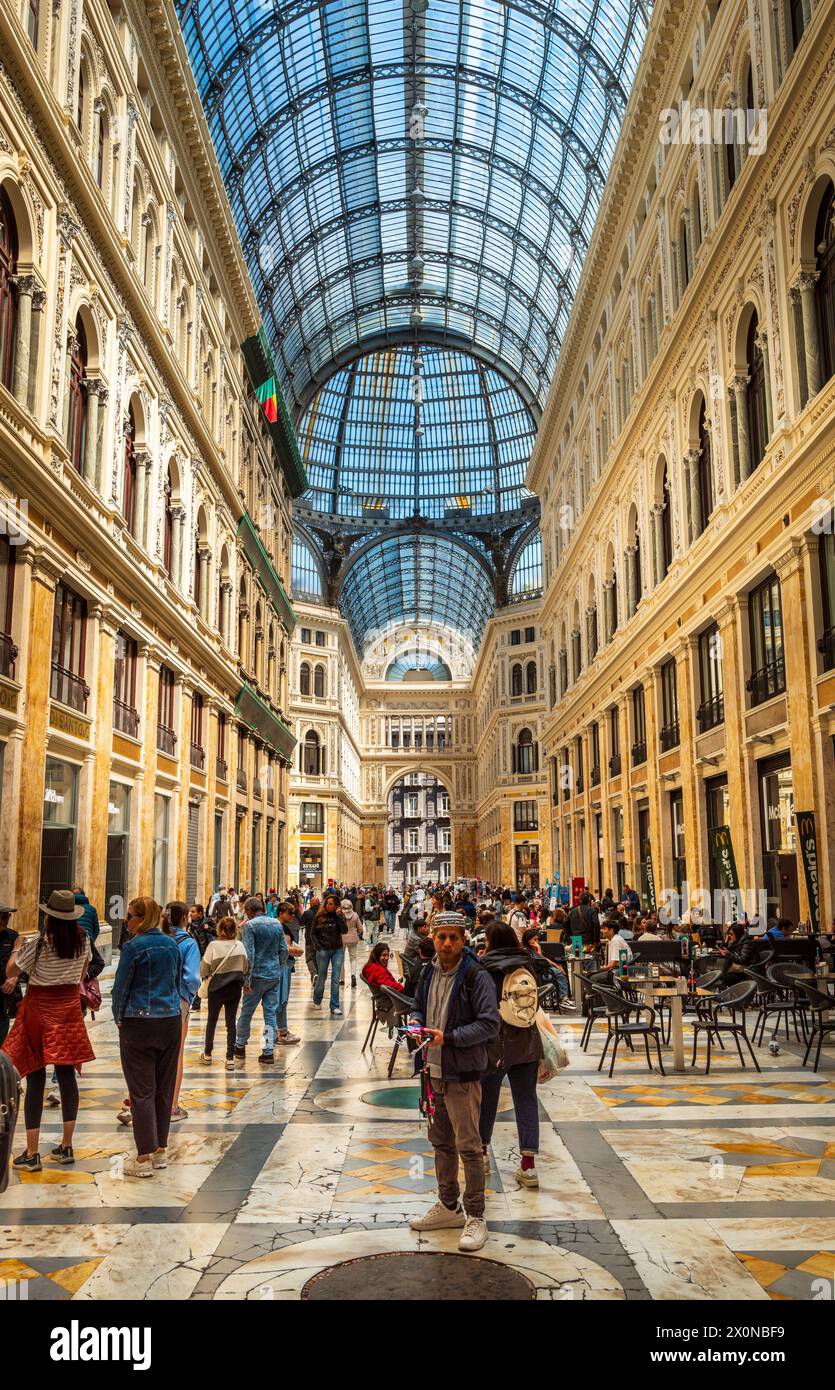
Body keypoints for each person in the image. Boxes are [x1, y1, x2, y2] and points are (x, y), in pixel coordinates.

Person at [408, 911, 500, 1254]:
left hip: (461, 1073)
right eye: (441, 937)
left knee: (469, 1146)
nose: (446, 943)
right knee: (441, 1142)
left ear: (464, 939)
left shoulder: (476, 976)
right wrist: (417, 1023)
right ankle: (449, 1207)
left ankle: (475, 1215)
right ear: (432, 938)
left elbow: (490, 1023)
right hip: (432, 1072)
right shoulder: (428, 972)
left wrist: (449, 1038)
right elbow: (418, 1007)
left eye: (453, 937)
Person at [2, 890, 95, 1172]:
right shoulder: (83, 941)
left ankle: (32, 1152)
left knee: (36, 1078)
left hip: (38, 1013)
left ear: (49, 917)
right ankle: (66, 1146)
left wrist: (18, 946)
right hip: (67, 1013)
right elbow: (82, 975)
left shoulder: (40, 944)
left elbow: (10, 971)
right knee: (67, 1077)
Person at [111, 896, 182, 1178]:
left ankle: (142, 1158)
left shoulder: (133, 947)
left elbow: (121, 987)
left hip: (139, 1022)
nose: (125, 921)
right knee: (164, 1089)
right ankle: (160, 1151)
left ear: (141, 919)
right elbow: (176, 981)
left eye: (129, 917)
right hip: (170, 1020)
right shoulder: (172, 944)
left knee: (142, 1091)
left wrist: (119, 1018)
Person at [479, 922, 544, 1188]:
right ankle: (528, 1167)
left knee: (487, 1100)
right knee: (526, 1100)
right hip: (527, 1042)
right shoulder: (526, 964)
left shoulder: (484, 967)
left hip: (496, 1044)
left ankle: (481, 1155)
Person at [235, 895, 289, 1065]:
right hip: (273, 976)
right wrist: (278, 968)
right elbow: (284, 950)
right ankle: (268, 1051)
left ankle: (240, 1045)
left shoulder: (250, 926)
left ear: (250, 910)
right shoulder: (276, 924)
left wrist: (246, 980)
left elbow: (249, 954)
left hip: (257, 976)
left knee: (247, 1011)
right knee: (270, 1013)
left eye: (246, 911)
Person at [164, 902, 201, 1121]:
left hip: (152, 1000)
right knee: (175, 1053)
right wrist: (189, 996)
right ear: (185, 918)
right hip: (178, 1001)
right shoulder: (188, 943)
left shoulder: (157, 939)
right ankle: (172, 1106)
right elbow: (193, 978)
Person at [199, 916, 249, 1068]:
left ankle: (207, 1053)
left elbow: (204, 969)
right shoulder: (239, 946)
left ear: (219, 929)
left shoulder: (213, 946)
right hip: (234, 989)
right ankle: (230, 1058)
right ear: (235, 929)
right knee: (231, 1022)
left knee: (212, 1020)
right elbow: (245, 967)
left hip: (216, 989)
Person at [311, 893, 347, 1015]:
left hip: (337, 949)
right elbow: (312, 933)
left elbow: (344, 930)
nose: (328, 905)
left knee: (335, 978)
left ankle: (334, 1005)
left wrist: (340, 916)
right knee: (322, 976)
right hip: (323, 950)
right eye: (327, 903)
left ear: (336, 905)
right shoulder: (319, 916)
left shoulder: (339, 916)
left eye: (331, 904)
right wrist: (318, 946)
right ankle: (317, 999)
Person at [276, 902, 304, 1045]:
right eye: (290, 913)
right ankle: (282, 1032)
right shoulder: (282, 927)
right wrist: (298, 950)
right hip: (283, 966)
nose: (292, 916)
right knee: (281, 1000)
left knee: (278, 1000)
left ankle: (279, 1031)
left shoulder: (275, 925)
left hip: (280, 966)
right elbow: (285, 948)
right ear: (281, 913)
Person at [187, 904, 216, 1014]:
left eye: (193, 911)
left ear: (200, 913)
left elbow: (218, 933)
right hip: (196, 954)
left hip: (208, 954)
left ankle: (210, 1002)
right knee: (198, 978)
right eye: (190, 911)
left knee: (207, 978)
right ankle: (196, 1004)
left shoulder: (208, 922)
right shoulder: (191, 925)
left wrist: (209, 929)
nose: (190, 913)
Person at [0, 903, 20, 1048]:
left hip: (4, 998)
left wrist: (15, 977)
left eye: (7, 915)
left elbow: (23, 965)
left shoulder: (13, 937)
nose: (6, 919)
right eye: (3, 915)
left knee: (2, 1037)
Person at [340, 897, 363, 989]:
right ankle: (353, 975)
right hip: (353, 939)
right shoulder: (355, 915)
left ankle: (341, 979)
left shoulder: (340, 915)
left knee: (341, 959)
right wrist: (355, 933)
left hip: (341, 939)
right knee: (353, 958)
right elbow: (360, 928)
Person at [301, 894, 321, 992]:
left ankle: (314, 974)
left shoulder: (307, 913)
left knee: (309, 959)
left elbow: (301, 923)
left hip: (309, 939)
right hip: (320, 940)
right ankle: (316, 976)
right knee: (317, 959)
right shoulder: (322, 913)